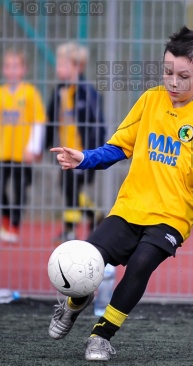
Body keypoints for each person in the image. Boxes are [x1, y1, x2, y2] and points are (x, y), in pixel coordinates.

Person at [47, 27, 193, 361]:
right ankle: (74, 304)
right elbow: (119, 147)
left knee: (141, 265)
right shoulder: (149, 100)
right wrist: (85, 158)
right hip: (130, 207)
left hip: (172, 218)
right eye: (167, 72)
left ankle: (100, 337)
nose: (173, 82)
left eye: (183, 76)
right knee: (89, 258)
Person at [46, 42, 106, 243]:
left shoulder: (87, 93)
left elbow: (98, 124)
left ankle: (70, 230)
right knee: (68, 188)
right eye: (59, 64)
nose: (58, 69)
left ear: (77, 67)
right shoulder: (59, 91)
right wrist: (45, 144)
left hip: (83, 153)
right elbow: (50, 119)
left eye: (63, 64)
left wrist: (93, 153)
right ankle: (95, 215)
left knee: (71, 189)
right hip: (64, 151)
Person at [0, 49, 46, 243]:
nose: (11, 70)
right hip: (3, 151)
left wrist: (34, 148)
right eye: (8, 66)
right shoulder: (1, 93)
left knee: (20, 190)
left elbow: (38, 121)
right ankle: (7, 218)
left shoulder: (30, 93)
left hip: (22, 153)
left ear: (24, 69)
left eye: (15, 66)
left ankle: (15, 225)